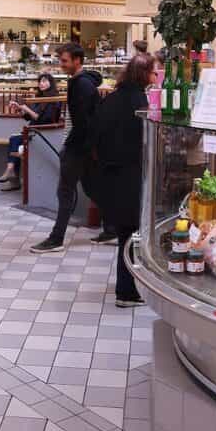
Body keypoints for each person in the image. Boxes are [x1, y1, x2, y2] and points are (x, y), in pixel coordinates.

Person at [89, 53, 156, 307]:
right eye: (153, 72)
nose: (155, 77)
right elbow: (144, 140)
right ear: (143, 74)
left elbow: (96, 136)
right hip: (130, 174)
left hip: (109, 174)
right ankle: (126, 291)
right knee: (131, 232)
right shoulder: (139, 102)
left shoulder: (113, 98)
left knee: (125, 232)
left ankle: (128, 285)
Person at [30, 43, 105, 253]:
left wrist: (70, 146)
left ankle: (56, 239)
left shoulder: (81, 85)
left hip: (78, 147)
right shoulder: (83, 83)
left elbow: (83, 123)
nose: (61, 65)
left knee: (65, 191)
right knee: (92, 188)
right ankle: (111, 229)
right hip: (86, 146)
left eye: (64, 61)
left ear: (77, 61)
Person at [0, 73, 60, 191]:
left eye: (45, 81)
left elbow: (41, 119)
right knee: (14, 141)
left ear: (51, 83)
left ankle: (11, 174)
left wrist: (26, 108)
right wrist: (20, 109)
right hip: (33, 130)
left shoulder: (54, 99)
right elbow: (29, 117)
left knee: (14, 140)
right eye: (40, 81)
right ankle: (11, 175)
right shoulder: (40, 98)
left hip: (42, 132)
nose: (41, 83)